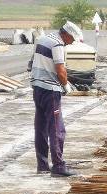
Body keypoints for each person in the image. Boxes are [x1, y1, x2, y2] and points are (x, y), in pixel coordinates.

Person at [28, 21, 83, 177]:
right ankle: (58, 166)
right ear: (66, 34)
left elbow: (31, 63)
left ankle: (43, 166)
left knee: (41, 128)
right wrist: (66, 86)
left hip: (37, 88)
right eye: (72, 39)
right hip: (50, 91)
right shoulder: (58, 44)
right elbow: (60, 70)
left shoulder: (43, 39)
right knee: (57, 129)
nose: (71, 42)